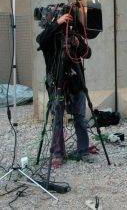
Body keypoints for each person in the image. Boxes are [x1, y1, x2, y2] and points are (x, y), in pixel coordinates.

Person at [37, 13, 95, 168]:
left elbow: (88, 53)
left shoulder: (74, 35)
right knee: (57, 119)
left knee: (80, 117)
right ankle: (57, 153)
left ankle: (83, 150)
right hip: (57, 82)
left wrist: (78, 43)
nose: (65, 25)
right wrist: (57, 23)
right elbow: (40, 40)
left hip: (76, 83)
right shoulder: (50, 38)